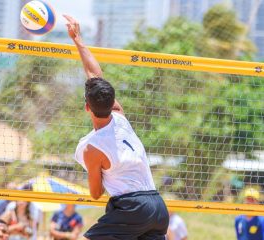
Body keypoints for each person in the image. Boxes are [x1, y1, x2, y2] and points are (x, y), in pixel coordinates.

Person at [64, 15, 169, 239]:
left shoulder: (92, 148)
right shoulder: (120, 117)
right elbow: (96, 76)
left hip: (132, 207)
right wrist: (78, 40)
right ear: (112, 104)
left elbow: (95, 193)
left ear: (86, 108)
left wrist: (100, 168)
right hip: (157, 206)